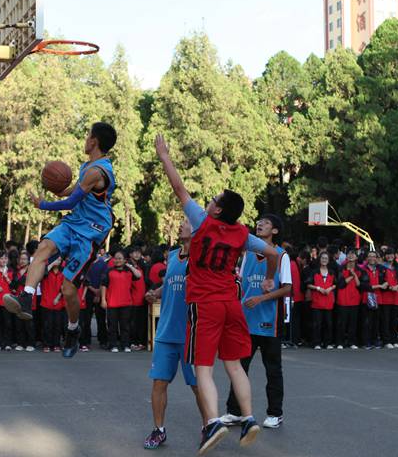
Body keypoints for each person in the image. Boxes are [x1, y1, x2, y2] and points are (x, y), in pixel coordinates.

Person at [155, 134, 280, 454]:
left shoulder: (202, 222)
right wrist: (268, 279)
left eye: (213, 199)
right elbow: (273, 253)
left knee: (203, 367)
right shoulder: (242, 234)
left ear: (217, 209)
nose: (208, 201)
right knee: (234, 365)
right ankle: (249, 418)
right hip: (231, 305)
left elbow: (179, 188)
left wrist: (165, 156)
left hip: (206, 304)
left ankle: (212, 423)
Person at [4, 122, 117, 359]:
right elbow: (75, 191)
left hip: (91, 232)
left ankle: (73, 330)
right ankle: (26, 297)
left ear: (94, 141)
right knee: (43, 247)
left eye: (88, 135)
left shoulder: (98, 171)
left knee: (68, 288)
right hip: (74, 222)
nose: (85, 139)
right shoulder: (88, 167)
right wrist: (57, 189)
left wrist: (43, 204)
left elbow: (72, 201)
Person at [221, 213, 291, 430]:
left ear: (275, 231)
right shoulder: (248, 254)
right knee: (239, 367)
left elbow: (288, 289)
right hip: (245, 321)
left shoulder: (281, 256)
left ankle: (275, 413)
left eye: (266, 223)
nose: (260, 224)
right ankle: (235, 411)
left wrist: (261, 298)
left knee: (273, 370)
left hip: (270, 322)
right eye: (259, 222)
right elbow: (241, 283)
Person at [143, 219, 205, 449]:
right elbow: (170, 284)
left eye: (185, 223)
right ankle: (159, 430)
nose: (180, 226)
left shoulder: (201, 258)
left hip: (191, 333)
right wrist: (156, 293)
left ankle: (208, 427)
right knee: (159, 382)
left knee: (198, 386)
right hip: (165, 332)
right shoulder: (171, 255)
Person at [101, 249, 142, 353]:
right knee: (112, 326)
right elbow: (104, 285)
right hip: (112, 303)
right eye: (116, 258)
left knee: (125, 326)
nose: (117, 260)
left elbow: (139, 275)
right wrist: (103, 300)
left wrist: (129, 266)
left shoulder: (129, 271)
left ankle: (126, 345)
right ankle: (113, 345)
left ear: (125, 260)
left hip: (126, 303)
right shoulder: (109, 271)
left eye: (120, 258)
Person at [335, 249, 367, 350]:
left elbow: (360, 285)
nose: (351, 255)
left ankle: (351, 342)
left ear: (356, 257)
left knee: (353, 323)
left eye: (353, 254)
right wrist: (351, 276)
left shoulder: (360, 270)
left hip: (355, 300)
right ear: (346, 256)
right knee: (341, 323)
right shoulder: (340, 269)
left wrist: (354, 275)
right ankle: (340, 342)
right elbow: (340, 284)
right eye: (349, 254)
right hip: (342, 299)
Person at [307, 252, 337, 350]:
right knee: (317, 324)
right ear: (319, 260)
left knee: (328, 324)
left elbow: (336, 284)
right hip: (317, 301)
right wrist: (318, 288)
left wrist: (330, 288)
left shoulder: (332, 272)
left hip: (328, 301)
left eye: (326, 258)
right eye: (322, 258)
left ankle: (327, 343)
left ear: (328, 260)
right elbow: (308, 284)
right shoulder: (314, 272)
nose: (324, 260)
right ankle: (317, 343)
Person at [360, 251, 386, 349]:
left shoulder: (380, 269)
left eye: (374, 256)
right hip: (367, 298)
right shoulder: (363, 270)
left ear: (376, 258)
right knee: (367, 322)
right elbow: (363, 285)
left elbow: (385, 281)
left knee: (376, 321)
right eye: (370, 256)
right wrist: (379, 286)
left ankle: (374, 340)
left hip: (378, 298)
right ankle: (366, 342)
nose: (372, 258)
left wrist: (386, 283)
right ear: (367, 258)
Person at [84, 249, 110, 349]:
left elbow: (104, 279)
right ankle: (86, 340)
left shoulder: (103, 264)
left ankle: (103, 340)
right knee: (86, 318)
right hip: (87, 293)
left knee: (101, 318)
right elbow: (85, 279)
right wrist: (93, 290)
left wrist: (98, 294)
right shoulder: (85, 264)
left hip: (101, 293)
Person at [40, 258, 66, 352]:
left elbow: (64, 287)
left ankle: (56, 344)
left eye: (59, 260)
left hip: (58, 302)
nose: (57, 261)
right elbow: (41, 275)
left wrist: (57, 298)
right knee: (47, 325)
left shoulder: (63, 273)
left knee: (57, 325)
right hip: (46, 302)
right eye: (55, 260)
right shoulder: (46, 271)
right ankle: (46, 344)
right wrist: (51, 264)